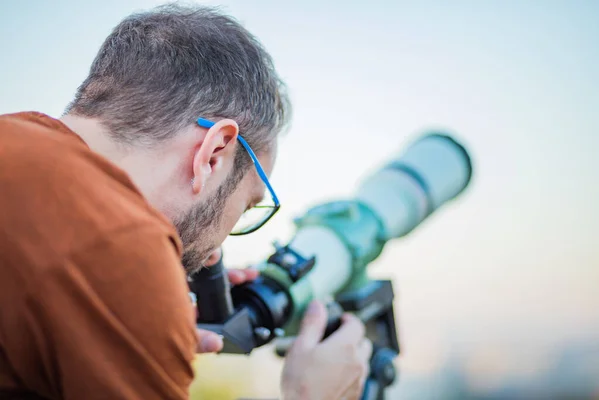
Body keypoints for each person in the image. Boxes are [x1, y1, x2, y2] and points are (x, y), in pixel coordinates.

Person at [0, 4, 372, 400]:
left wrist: (134, 339)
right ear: (214, 153)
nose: (220, 246)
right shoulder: (124, 250)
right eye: (247, 206)